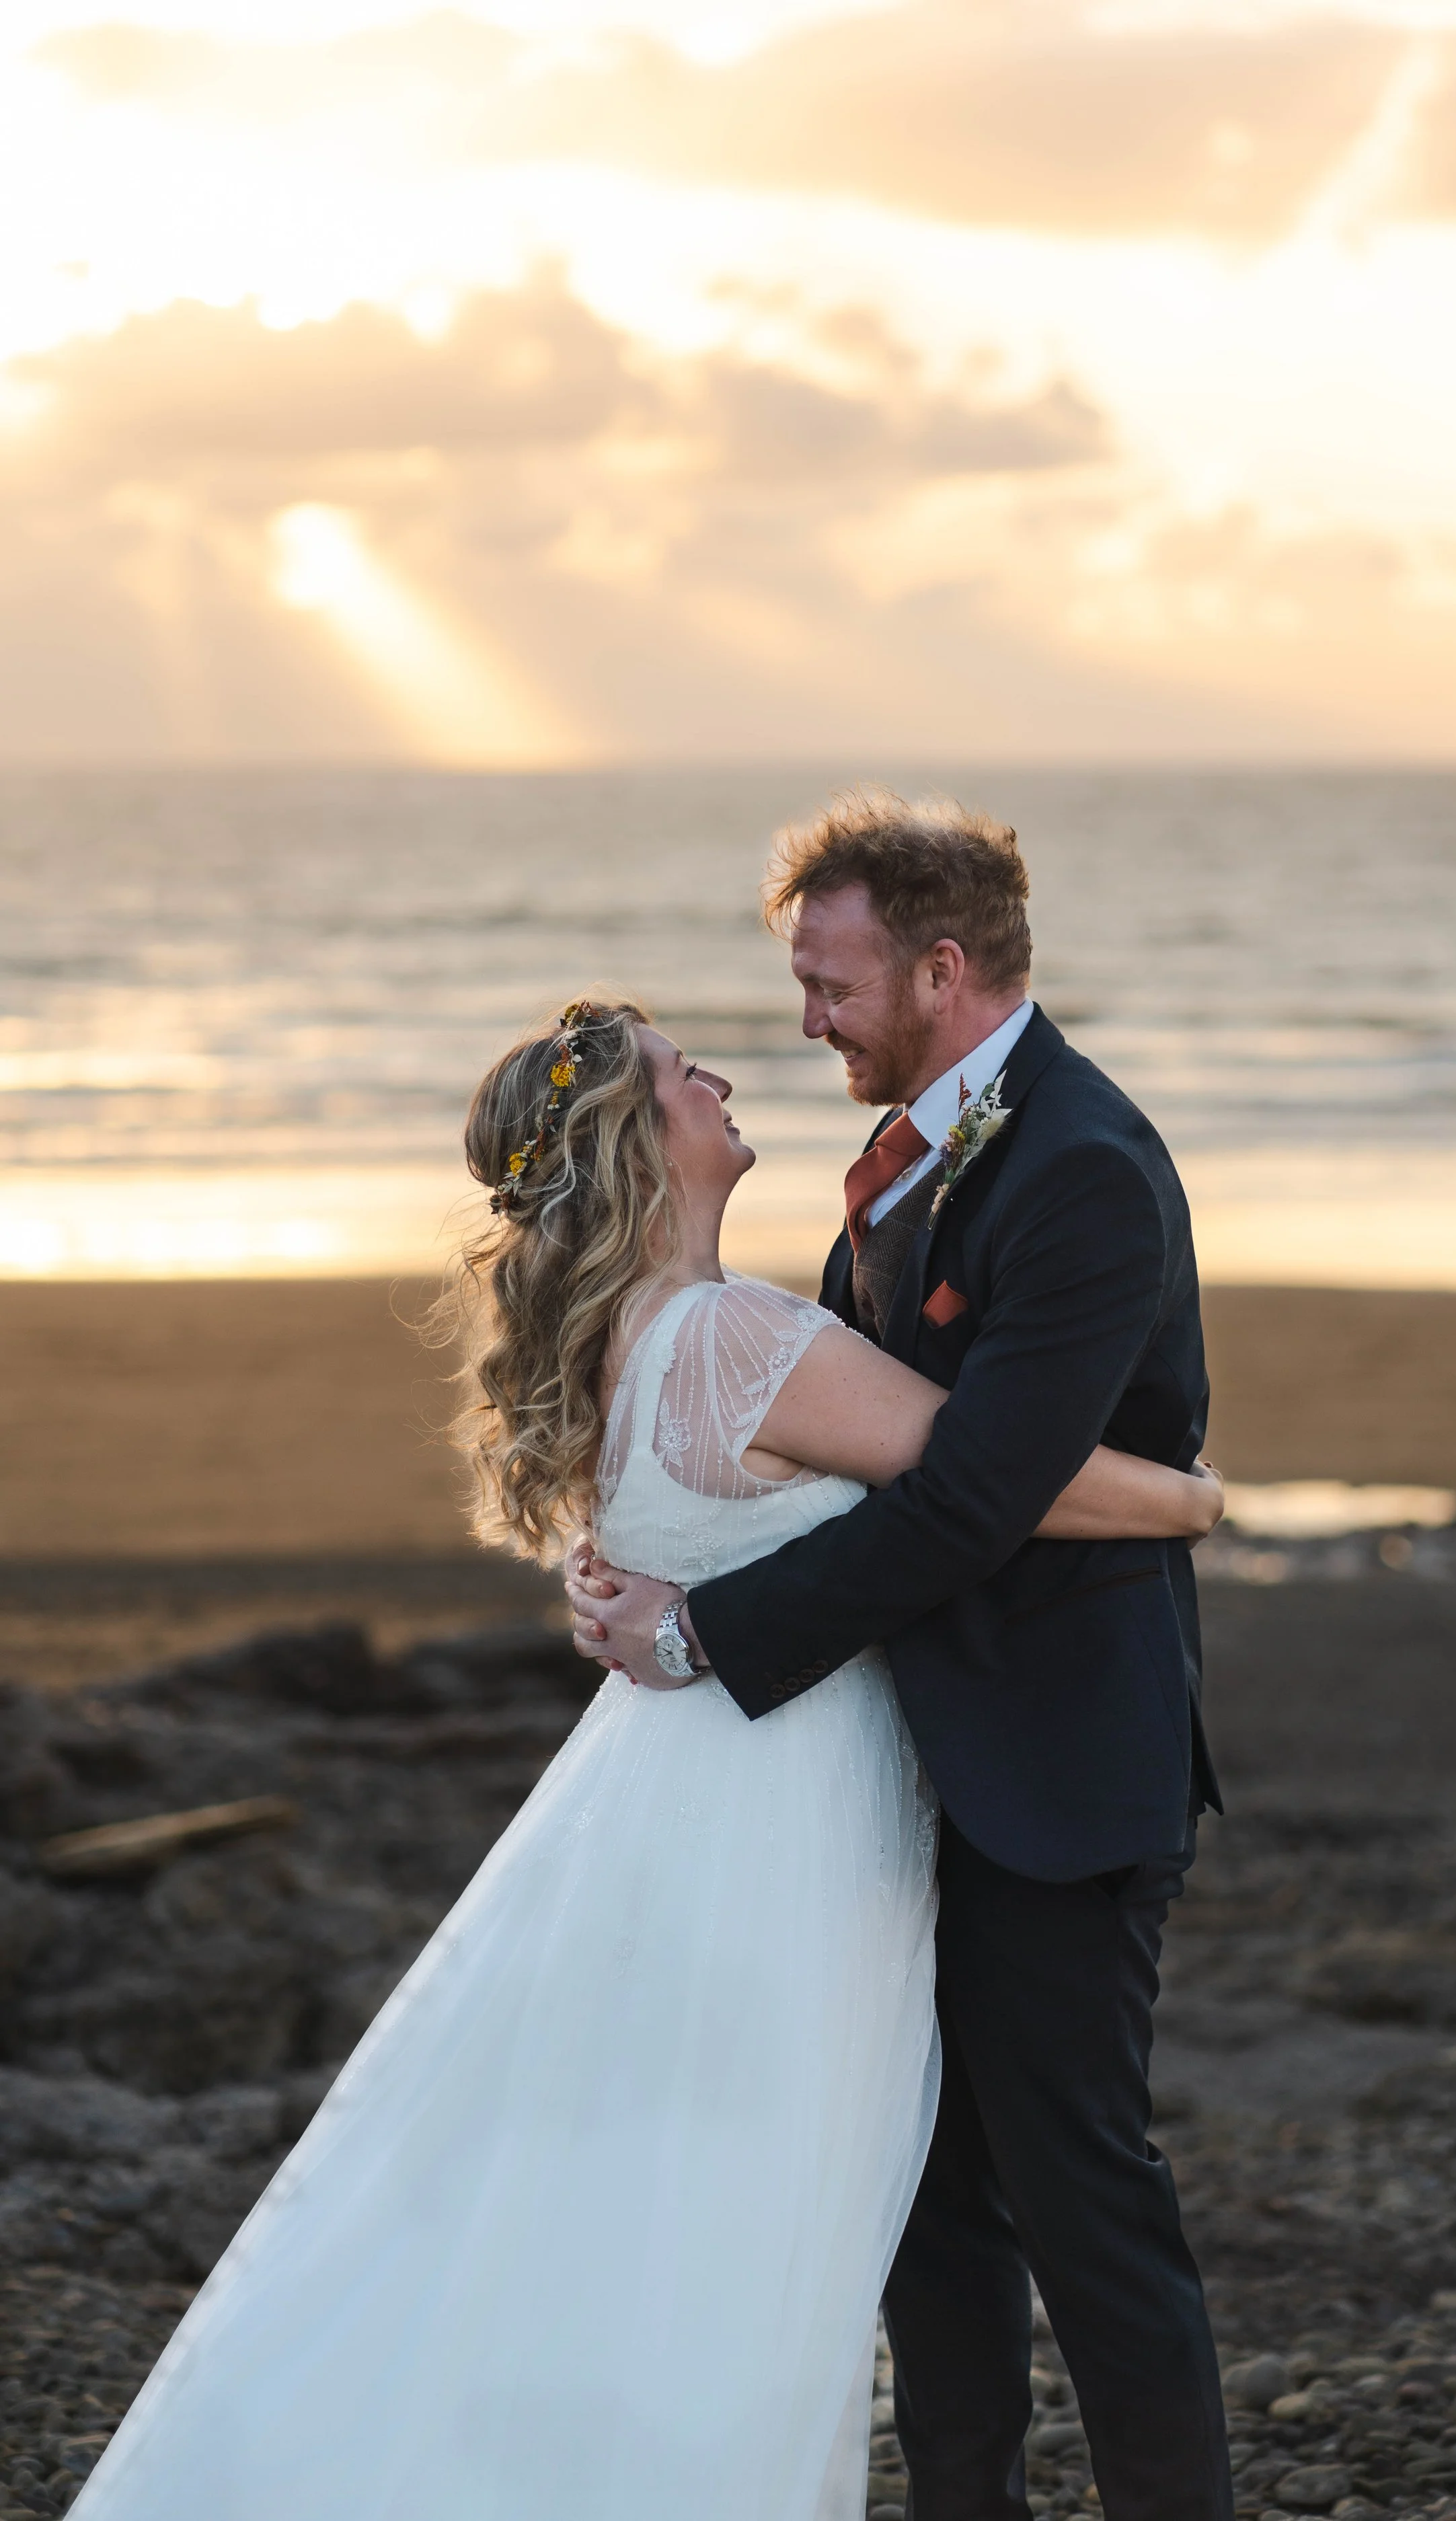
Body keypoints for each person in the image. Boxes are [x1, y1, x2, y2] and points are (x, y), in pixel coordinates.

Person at [70, 991, 1221, 2521]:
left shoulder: (627, 1338)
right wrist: (1191, 1497)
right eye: (687, 1076)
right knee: (760, 2205)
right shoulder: (739, 1335)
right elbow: (1000, 1482)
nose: (725, 1077)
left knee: (684, 2190)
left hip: (694, 1800)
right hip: (786, 1816)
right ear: (635, 1142)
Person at [570, 789, 1235, 2521]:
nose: (802, 1019)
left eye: (827, 981)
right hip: (907, 1769)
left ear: (939, 969)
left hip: (1056, 1767)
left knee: (1083, 2201)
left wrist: (706, 1629)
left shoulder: (1080, 1166)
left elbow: (966, 1500)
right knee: (932, 2205)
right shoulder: (918, 1143)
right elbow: (847, 1452)